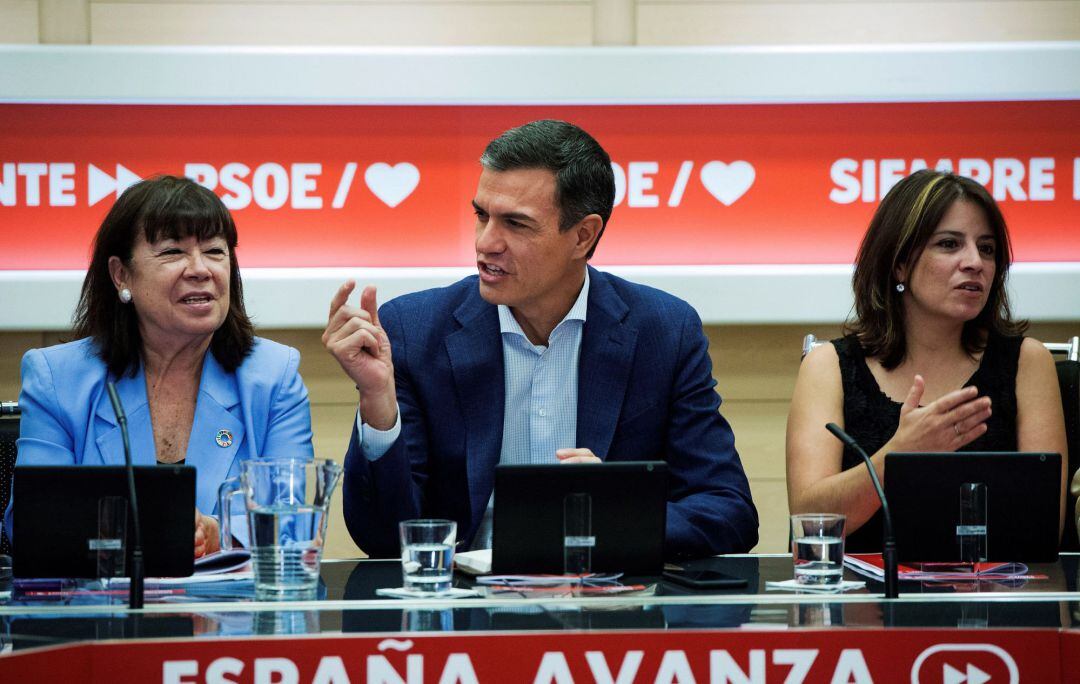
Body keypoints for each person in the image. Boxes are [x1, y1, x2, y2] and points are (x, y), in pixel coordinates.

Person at [324, 119, 758, 558]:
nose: (486, 243)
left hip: (605, 608)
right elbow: (381, 539)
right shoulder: (415, 331)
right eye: (481, 216)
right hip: (467, 612)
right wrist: (378, 405)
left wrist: (621, 507)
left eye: (516, 223)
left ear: (583, 235)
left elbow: (730, 514)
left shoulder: (663, 332)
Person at [7, 175, 314, 557]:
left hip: (232, 611)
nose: (200, 269)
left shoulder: (273, 377)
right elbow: (32, 524)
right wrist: (151, 529)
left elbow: (297, 524)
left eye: (215, 251)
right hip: (106, 610)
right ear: (122, 275)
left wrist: (221, 534)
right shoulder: (58, 378)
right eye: (172, 252)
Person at [786, 169, 1067, 551]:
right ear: (900, 263)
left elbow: (1046, 526)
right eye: (950, 244)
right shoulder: (828, 366)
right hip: (861, 602)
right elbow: (810, 522)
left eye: (986, 248)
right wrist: (899, 456)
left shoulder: (1027, 363)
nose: (975, 263)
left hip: (992, 601)